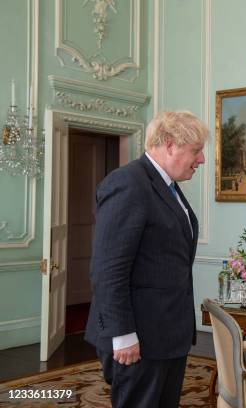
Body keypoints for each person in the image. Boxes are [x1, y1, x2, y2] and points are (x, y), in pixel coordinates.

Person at [85, 111, 208, 407]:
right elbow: (108, 269)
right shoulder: (128, 183)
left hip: (166, 335)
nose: (201, 159)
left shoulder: (167, 186)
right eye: (196, 150)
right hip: (138, 336)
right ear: (169, 144)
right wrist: (123, 334)